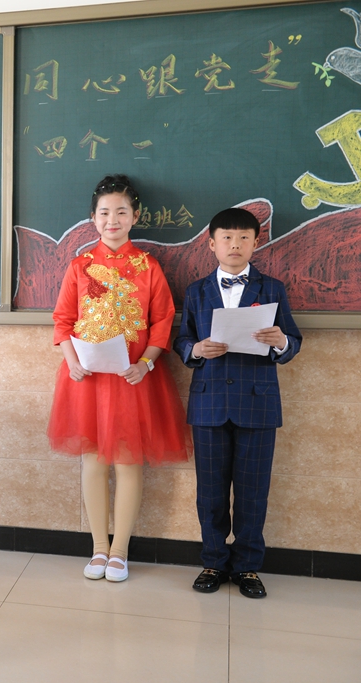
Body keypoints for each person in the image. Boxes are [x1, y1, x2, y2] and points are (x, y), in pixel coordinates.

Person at [48, 174, 189, 582]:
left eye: (121, 212)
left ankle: (120, 552)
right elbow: (62, 320)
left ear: (135, 217)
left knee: (128, 463)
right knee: (93, 462)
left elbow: (163, 321)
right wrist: (72, 361)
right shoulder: (79, 266)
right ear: (93, 218)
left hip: (133, 380)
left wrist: (146, 363)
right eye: (105, 212)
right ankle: (97, 548)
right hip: (87, 380)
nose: (113, 220)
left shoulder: (148, 266)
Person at [174, 207, 301, 599]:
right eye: (227, 237)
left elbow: (293, 341)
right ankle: (213, 561)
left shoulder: (272, 288)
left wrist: (280, 341)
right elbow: (182, 340)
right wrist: (195, 349)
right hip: (209, 403)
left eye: (244, 237)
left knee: (252, 491)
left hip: (258, 404)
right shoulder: (196, 291)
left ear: (255, 242)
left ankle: (247, 567)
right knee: (210, 492)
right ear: (211, 244)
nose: (235, 244)